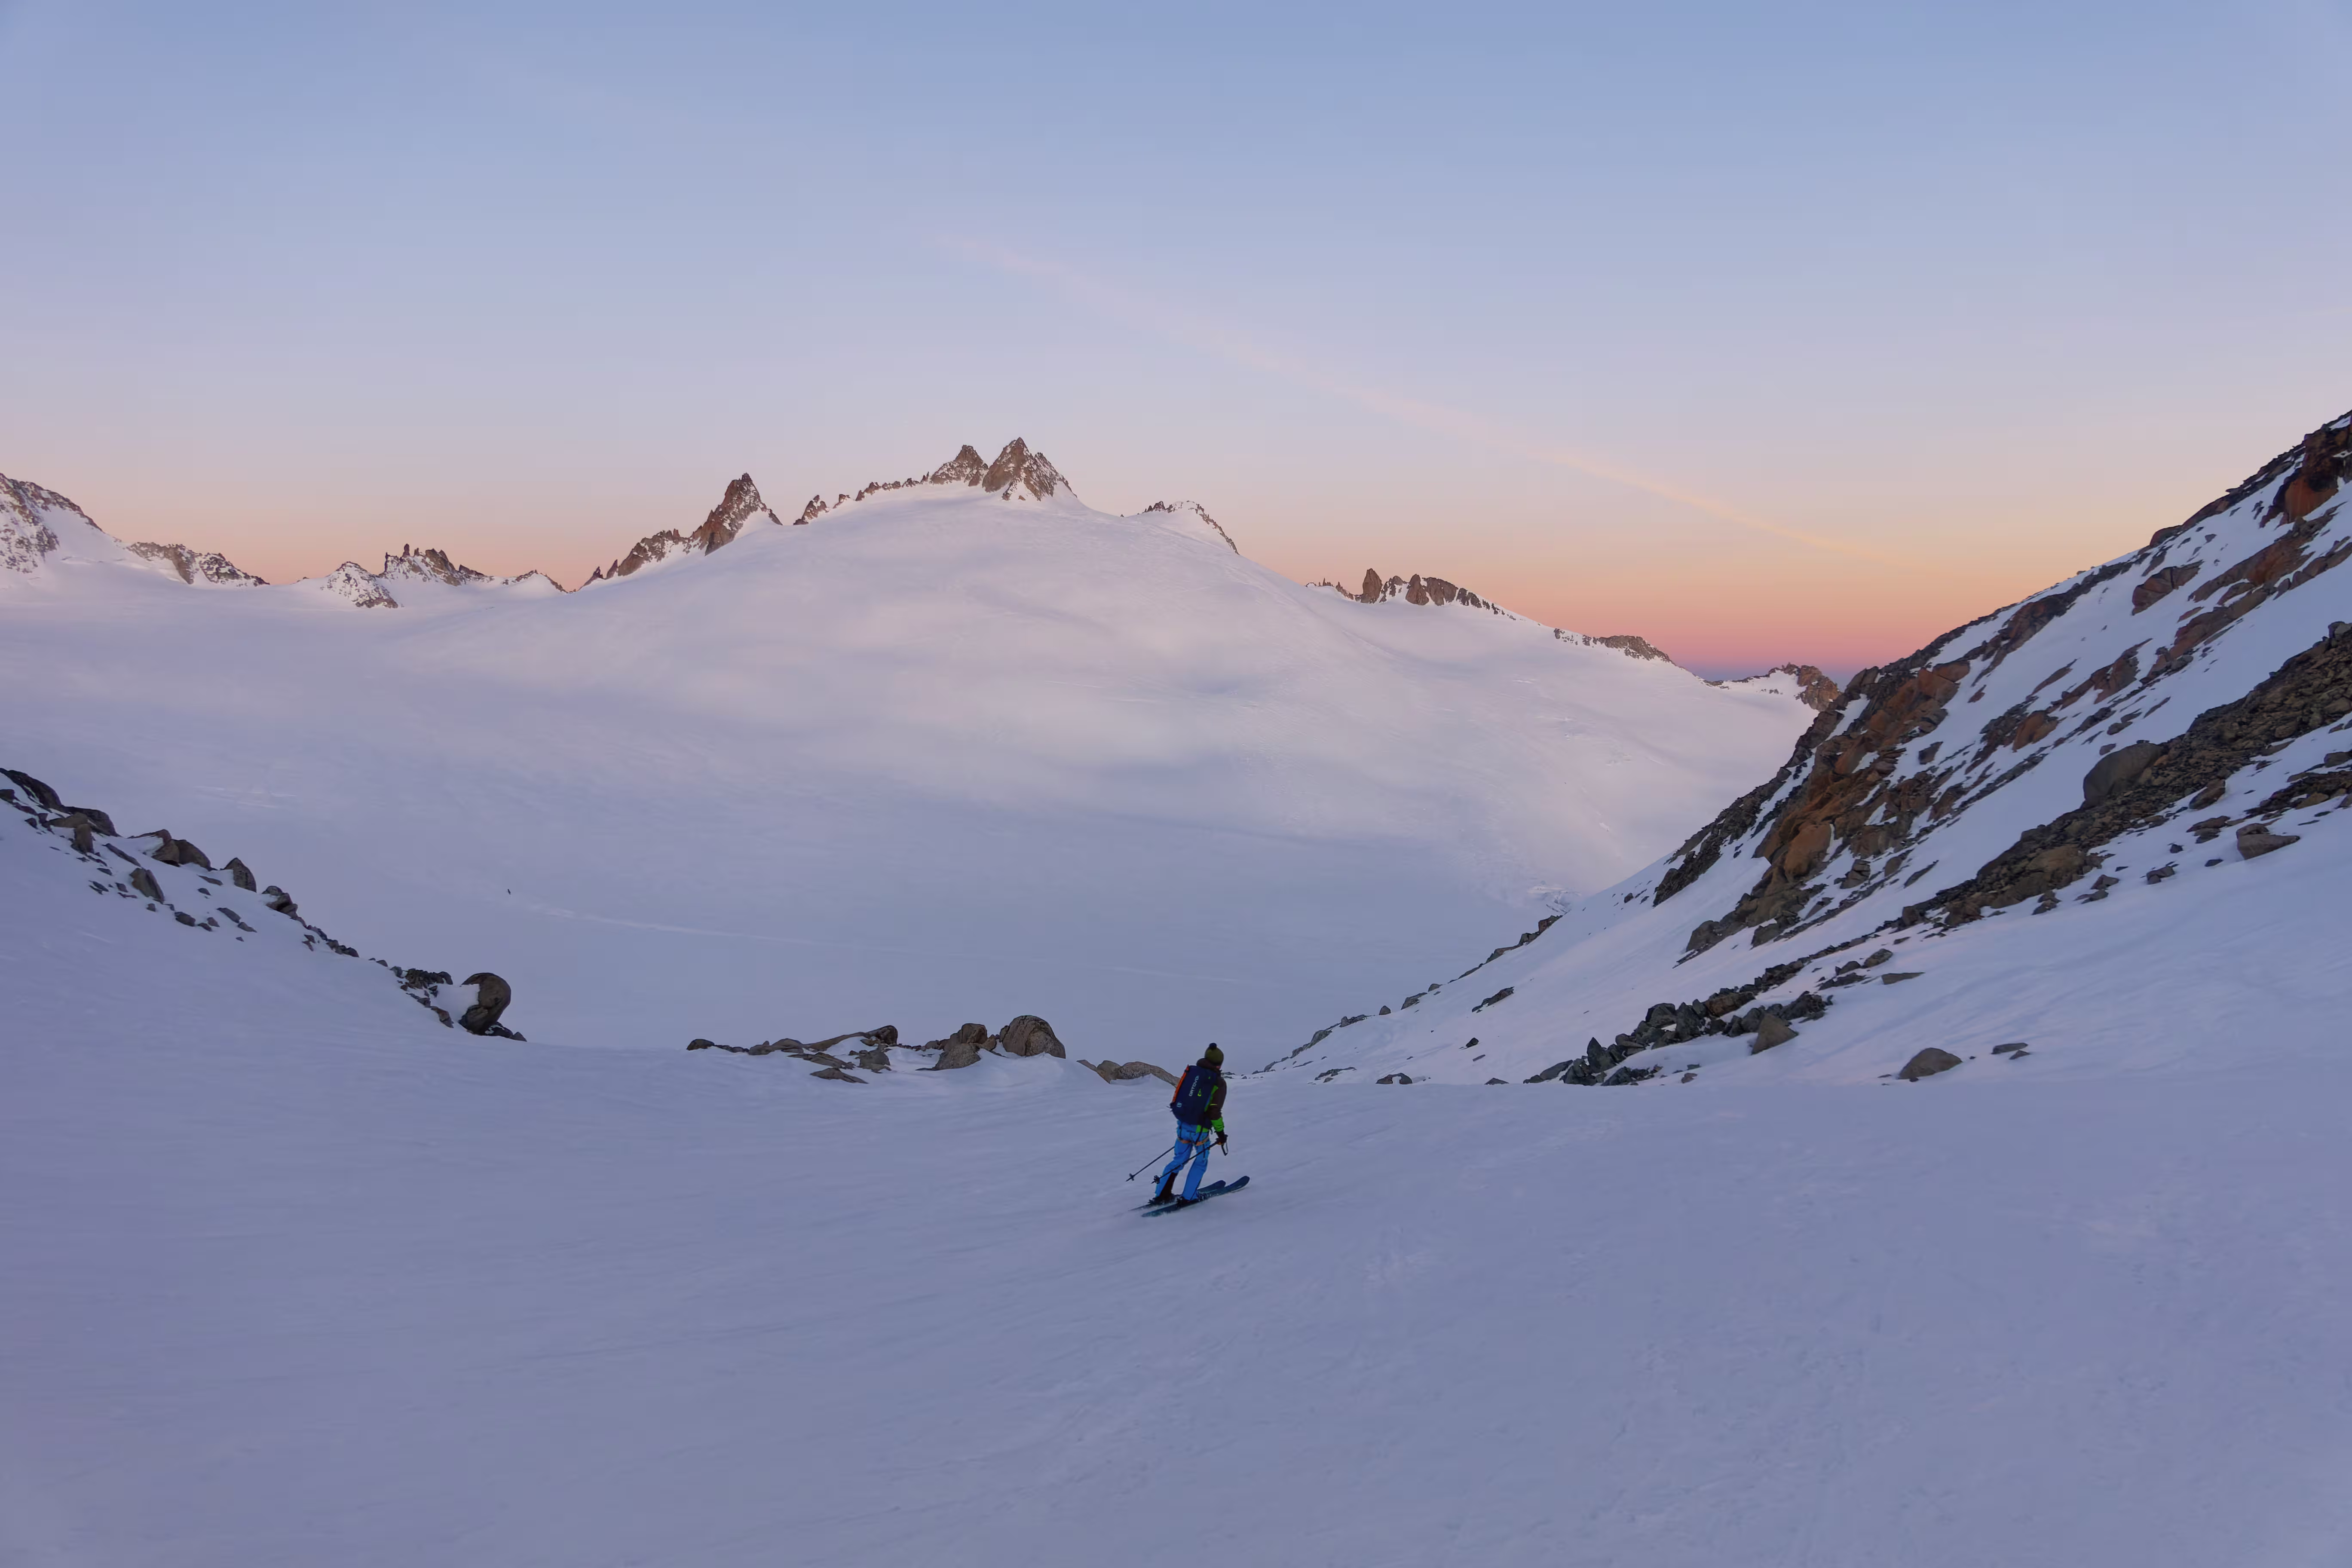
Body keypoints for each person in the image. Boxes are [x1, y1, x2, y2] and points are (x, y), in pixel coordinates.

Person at [1152, 1045, 1228, 1207]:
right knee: (1200, 1163)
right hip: (1200, 1131)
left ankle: (1162, 1195)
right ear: (1219, 1064)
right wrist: (1221, 1134)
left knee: (1179, 1159)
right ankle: (1190, 1196)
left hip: (1182, 1126)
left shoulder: (1193, 1073)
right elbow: (1215, 1112)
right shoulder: (1218, 1083)